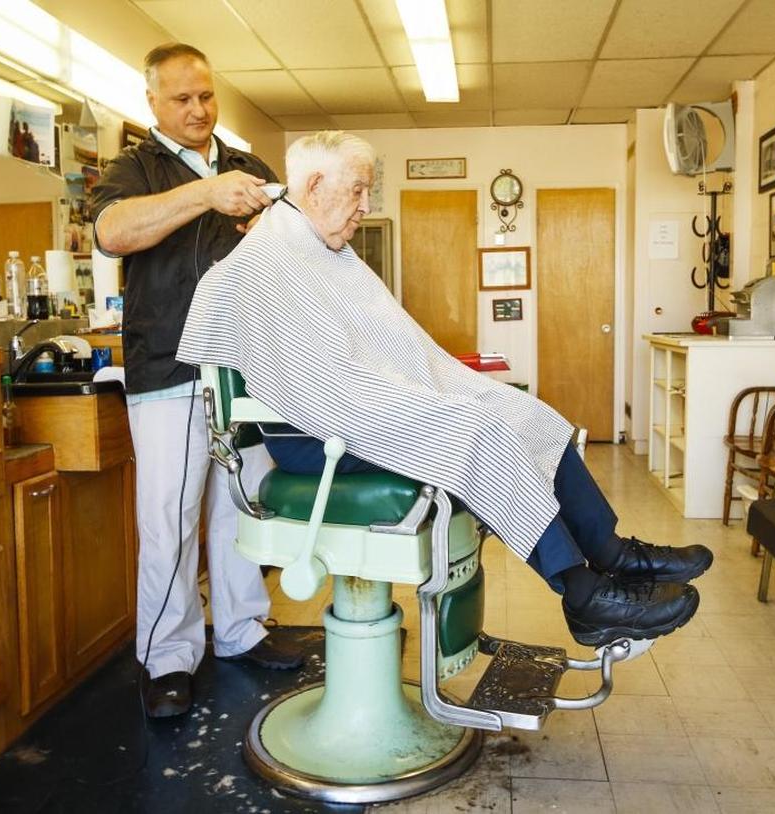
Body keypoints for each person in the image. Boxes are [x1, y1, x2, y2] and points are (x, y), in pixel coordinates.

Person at [177, 131, 713, 648]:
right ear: (314, 186)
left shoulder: (322, 248)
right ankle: (583, 594)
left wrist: (426, 389)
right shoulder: (269, 258)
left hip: (355, 405)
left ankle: (612, 552)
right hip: (313, 432)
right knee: (477, 427)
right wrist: (422, 403)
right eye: (358, 190)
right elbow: (314, 379)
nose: (366, 205)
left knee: (521, 410)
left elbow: (378, 348)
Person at [91, 42, 301, 719]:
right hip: (169, 367)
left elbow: (292, 251)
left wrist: (275, 223)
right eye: (182, 98)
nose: (198, 109)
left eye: (206, 96)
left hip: (245, 368)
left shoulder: (245, 166)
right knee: (170, 519)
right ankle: (169, 657)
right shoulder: (132, 168)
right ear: (151, 101)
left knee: (243, 503)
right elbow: (114, 232)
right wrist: (205, 194)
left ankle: (241, 630)